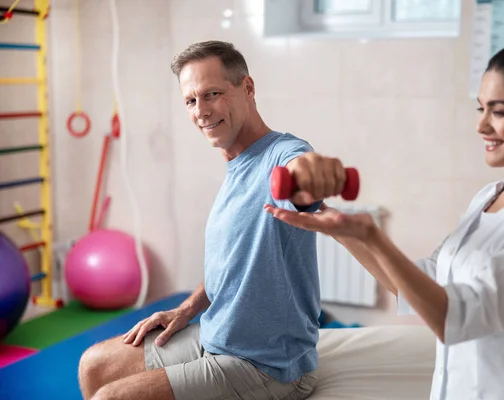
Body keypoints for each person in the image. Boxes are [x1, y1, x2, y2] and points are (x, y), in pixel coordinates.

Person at [265, 37, 504, 399]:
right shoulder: (490, 195)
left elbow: (457, 317)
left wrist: (373, 236)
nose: (482, 126)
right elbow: (424, 280)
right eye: (481, 108)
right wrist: (339, 227)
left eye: (499, 111)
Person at [77, 40, 335, 400]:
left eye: (212, 93)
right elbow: (232, 261)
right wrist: (186, 309)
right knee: (94, 364)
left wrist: (310, 177)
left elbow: (301, 176)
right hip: (216, 337)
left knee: (112, 398)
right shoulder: (237, 163)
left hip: (268, 366)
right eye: (190, 100)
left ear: (247, 88)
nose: (201, 111)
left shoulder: (282, 154)